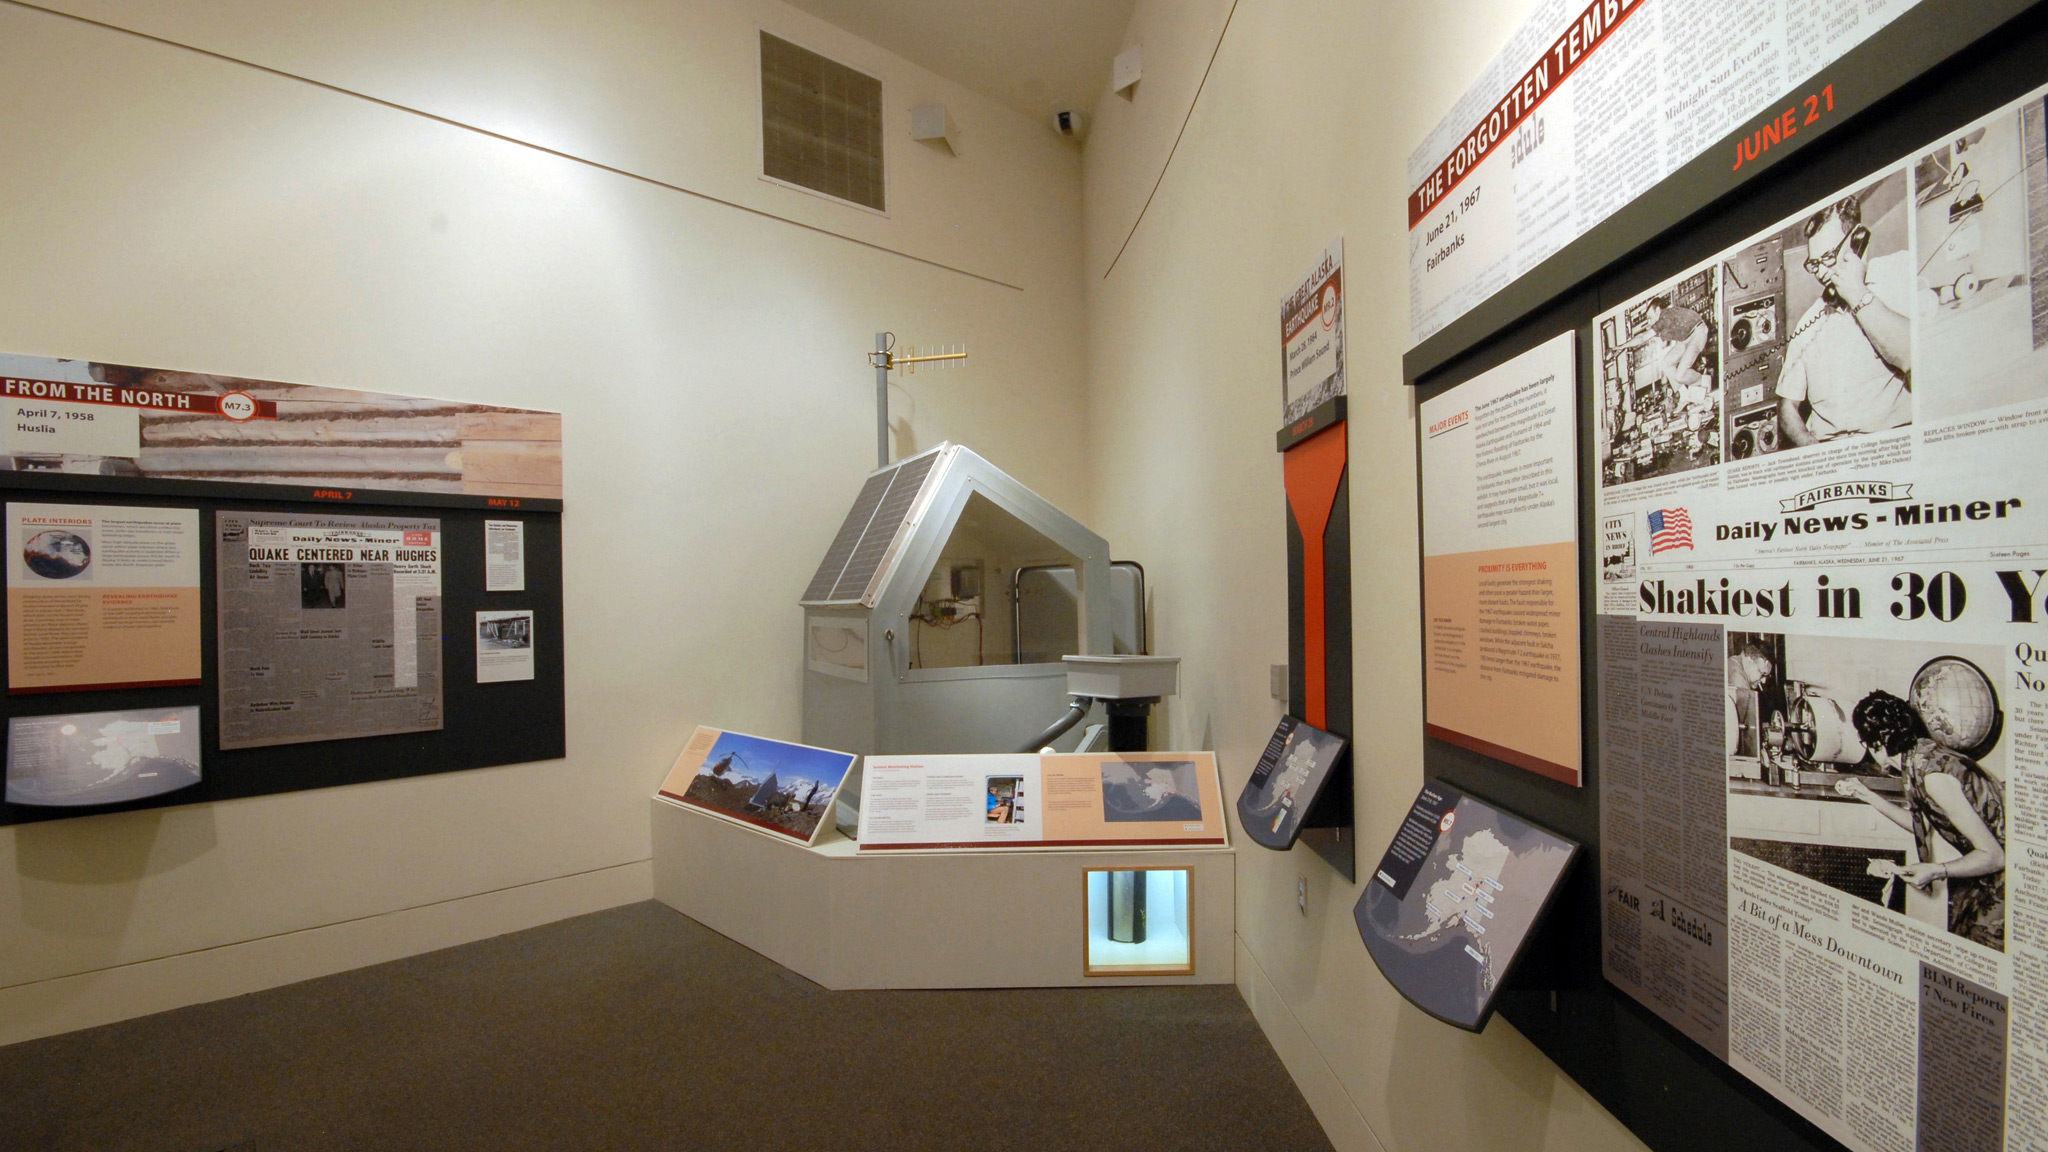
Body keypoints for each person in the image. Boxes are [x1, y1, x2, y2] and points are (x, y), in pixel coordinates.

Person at [1836, 690, 2005, 949]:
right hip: (1986, 878)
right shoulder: (1918, 755)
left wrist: (1937, 870)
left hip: (2009, 881)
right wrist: (1866, 794)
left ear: (1876, 745)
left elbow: (1995, 856)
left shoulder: (1933, 776)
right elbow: (1920, 825)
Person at [1777, 196, 1914, 445]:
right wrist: (1806, 442)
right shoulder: (1809, 324)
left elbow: (1913, 355)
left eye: (1828, 257)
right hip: (1827, 449)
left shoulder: (1897, 276)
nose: (1820, 272)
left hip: (1887, 444)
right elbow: (1787, 405)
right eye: (1813, 263)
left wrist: (1856, 294)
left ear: (1857, 241)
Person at [1625, 295, 1713, 414]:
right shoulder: (1665, 320)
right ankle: (1684, 395)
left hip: (1698, 333)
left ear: (1657, 310)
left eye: (1650, 317)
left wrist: (1621, 347)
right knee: (1665, 363)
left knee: (1680, 376)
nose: (1649, 322)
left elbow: (1642, 338)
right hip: (1685, 339)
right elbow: (1656, 339)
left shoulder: (1664, 315)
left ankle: (1703, 379)